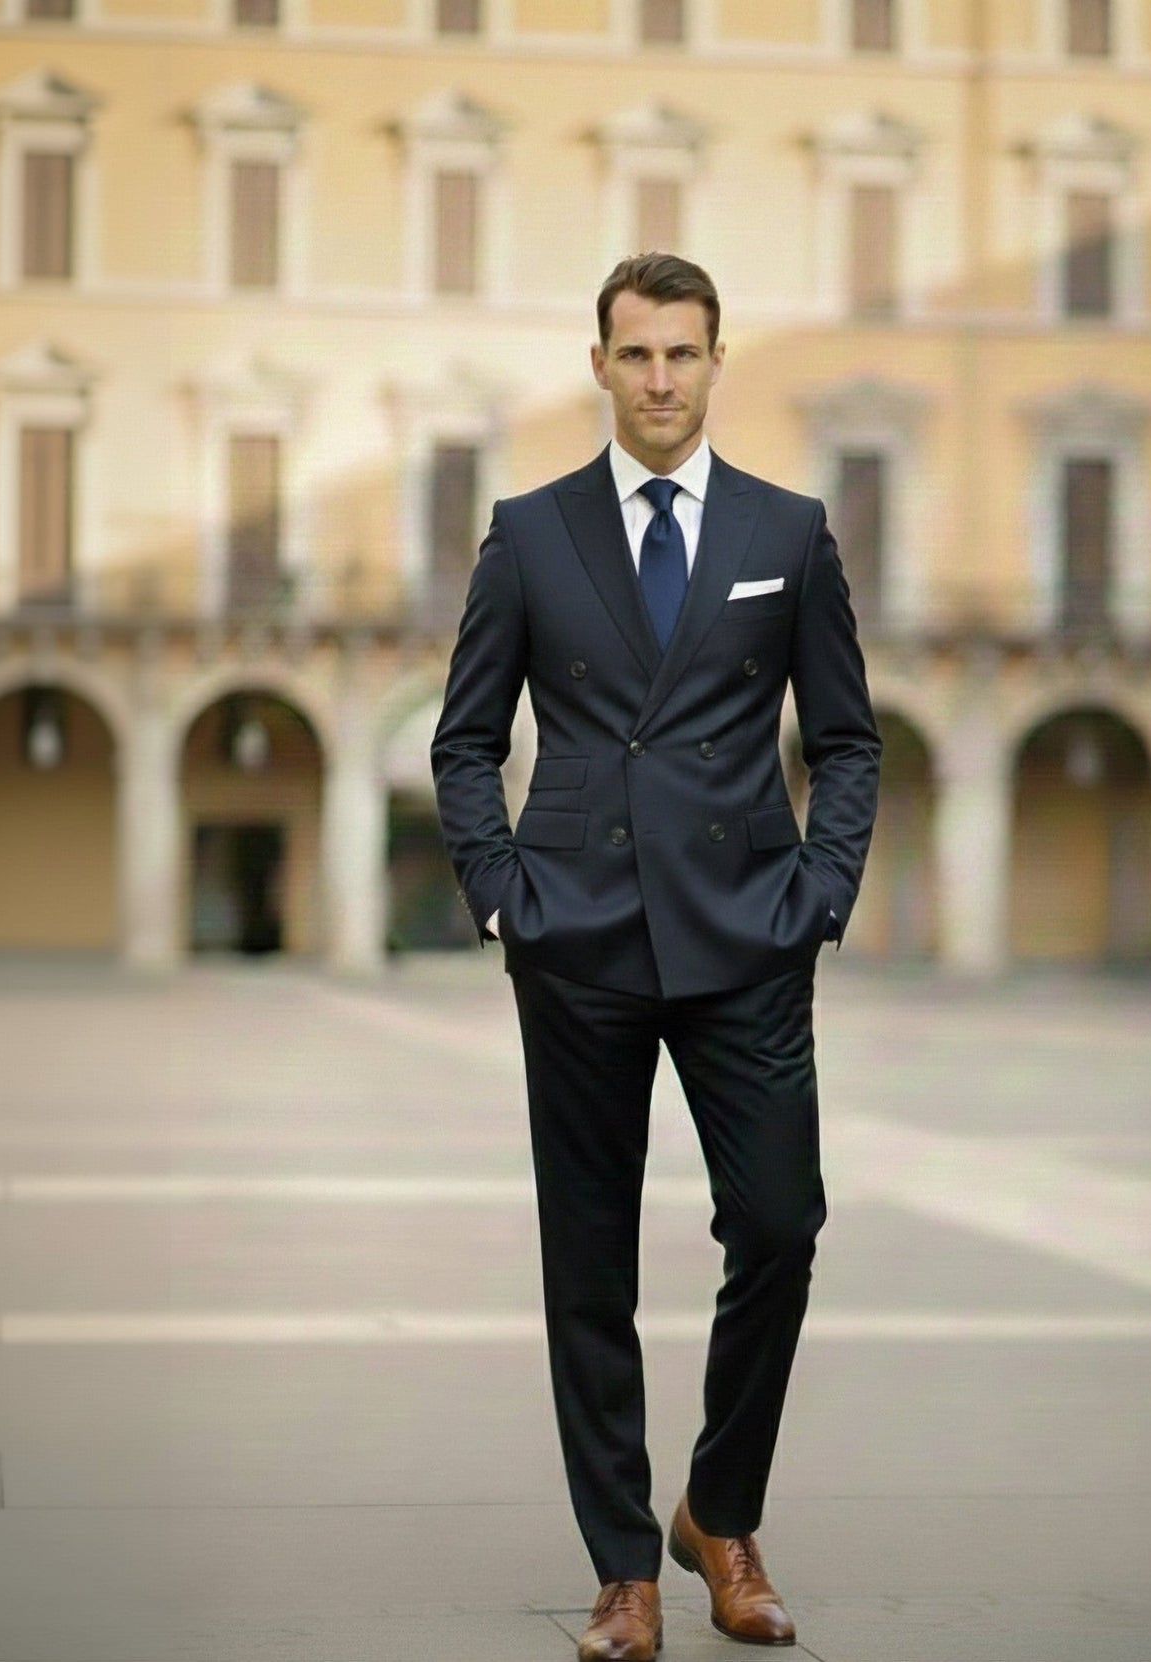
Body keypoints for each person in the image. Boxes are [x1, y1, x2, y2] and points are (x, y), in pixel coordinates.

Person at [431, 252, 881, 1661]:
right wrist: (504, 891)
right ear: (600, 367)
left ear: (714, 360)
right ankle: (624, 1567)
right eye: (636, 355)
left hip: (747, 932)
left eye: (683, 353)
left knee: (779, 1221)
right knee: (587, 1258)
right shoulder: (530, 530)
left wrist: (818, 889)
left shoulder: (787, 528)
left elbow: (848, 739)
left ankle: (721, 1511)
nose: (661, 379)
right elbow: (463, 737)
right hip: (576, 937)